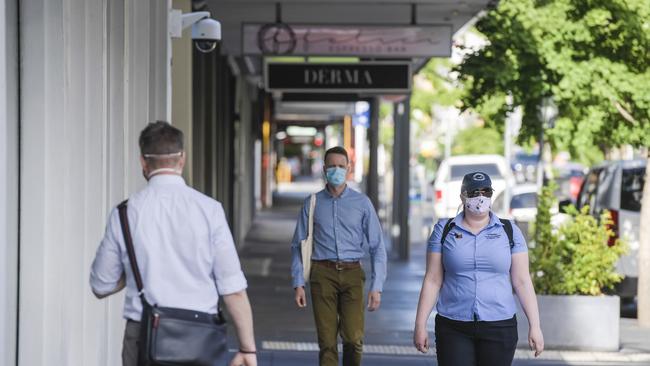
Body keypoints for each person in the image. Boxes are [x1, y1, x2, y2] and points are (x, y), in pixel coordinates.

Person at [90, 121, 257, 366]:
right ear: (182, 159)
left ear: (143, 162)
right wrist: (247, 349)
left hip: (144, 336)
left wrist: (136, 269)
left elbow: (101, 284)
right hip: (200, 336)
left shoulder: (125, 213)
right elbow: (233, 289)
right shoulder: (209, 210)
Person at [413, 172, 544, 366]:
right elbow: (432, 279)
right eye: (474, 192)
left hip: (499, 325)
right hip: (454, 326)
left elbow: (522, 281)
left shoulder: (509, 231)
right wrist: (420, 324)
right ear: (462, 197)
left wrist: (535, 326)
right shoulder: (444, 230)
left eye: (486, 192)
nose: (480, 197)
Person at [291, 146, 387, 366]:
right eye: (332, 166)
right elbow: (298, 245)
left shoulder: (362, 204)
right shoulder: (312, 203)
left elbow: (377, 247)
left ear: (349, 169)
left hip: (353, 274)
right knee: (327, 342)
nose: (336, 170)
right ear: (324, 169)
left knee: (353, 339)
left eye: (341, 166)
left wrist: (377, 286)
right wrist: (298, 283)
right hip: (321, 274)